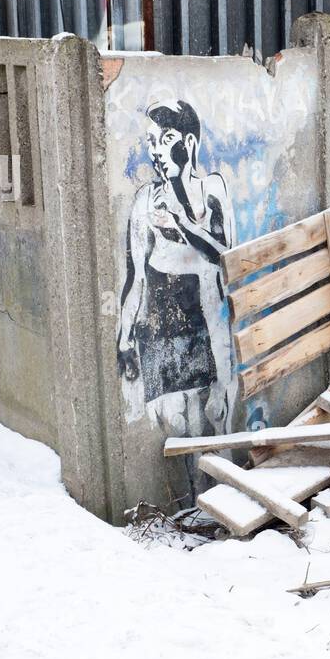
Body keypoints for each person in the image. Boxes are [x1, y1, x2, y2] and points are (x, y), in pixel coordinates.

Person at [116, 100, 236, 436]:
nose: (156, 150)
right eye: (151, 142)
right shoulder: (145, 201)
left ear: (190, 144)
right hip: (162, 326)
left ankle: (220, 485)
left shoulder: (212, 189)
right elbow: (135, 277)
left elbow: (224, 256)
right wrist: (125, 339)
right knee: (177, 423)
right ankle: (193, 488)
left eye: (166, 140)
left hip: (210, 321)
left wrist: (180, 222)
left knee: (216, 413)